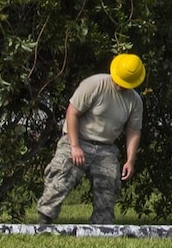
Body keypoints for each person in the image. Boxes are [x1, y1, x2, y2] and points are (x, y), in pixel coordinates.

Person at [37, 54, 146, 227]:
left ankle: (101, 228)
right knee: (60, 176)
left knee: (109, 186)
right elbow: (72, 113)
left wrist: (130, 160)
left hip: (106, 148)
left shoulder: (135, 101)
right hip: (77, 139)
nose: (120, 85)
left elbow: (133, 130)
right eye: (119, 81)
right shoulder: (94, 84)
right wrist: (75, 146)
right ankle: (44, 221)